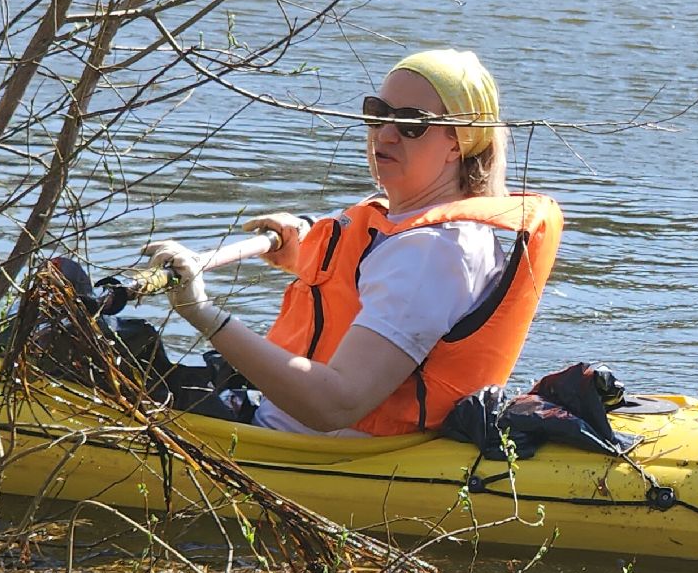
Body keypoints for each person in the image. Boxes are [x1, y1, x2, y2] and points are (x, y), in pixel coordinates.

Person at [143, 49, 562, 437]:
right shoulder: (412, 226)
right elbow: (372, 288)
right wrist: (300, 256)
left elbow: (335, 404)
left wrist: (202, 313)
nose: (385, 133)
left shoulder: (433, 251)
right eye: (377, 114)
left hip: (308, 446)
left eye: (411, 123)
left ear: (457, 142)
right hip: (275, 418)